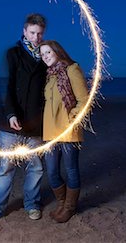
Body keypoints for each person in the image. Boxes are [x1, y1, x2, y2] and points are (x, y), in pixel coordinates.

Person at [0, 14, 47, 223]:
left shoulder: (46, 55)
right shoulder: (13, 53)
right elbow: (8, 86)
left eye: (40, 33)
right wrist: (11, 113)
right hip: (11, 123)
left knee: (36, 167)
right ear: (24, 31)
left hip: (36, 124)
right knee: (6, 168)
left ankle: (32, 204)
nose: (36, 37)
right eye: (32, 32)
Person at [39, 40, 89, 223]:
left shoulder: (72, 69)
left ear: (58, 52)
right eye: (42, 54)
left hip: (68, 131)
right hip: (50, 132)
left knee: (71, 170)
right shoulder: (49, 76)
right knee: (51, 172)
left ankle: (69, 208)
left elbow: (84, 100)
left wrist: (72, 119)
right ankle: (62, 203)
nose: (45, 57)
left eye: (48, 53)